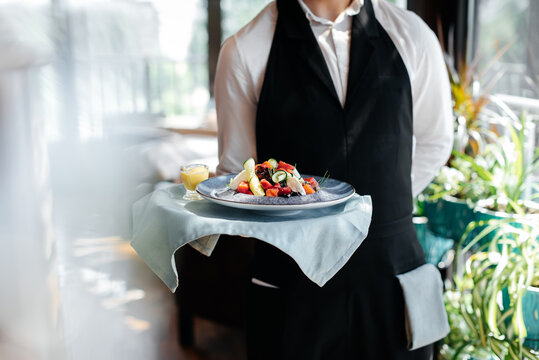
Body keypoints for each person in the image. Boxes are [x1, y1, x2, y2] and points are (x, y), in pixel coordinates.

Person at [214, 0, 453, 358]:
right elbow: (238, 174)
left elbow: (436, 140)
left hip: (392, 276)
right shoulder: (244, 50)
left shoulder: (412, 36)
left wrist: (375, 209)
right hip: (292, 285)